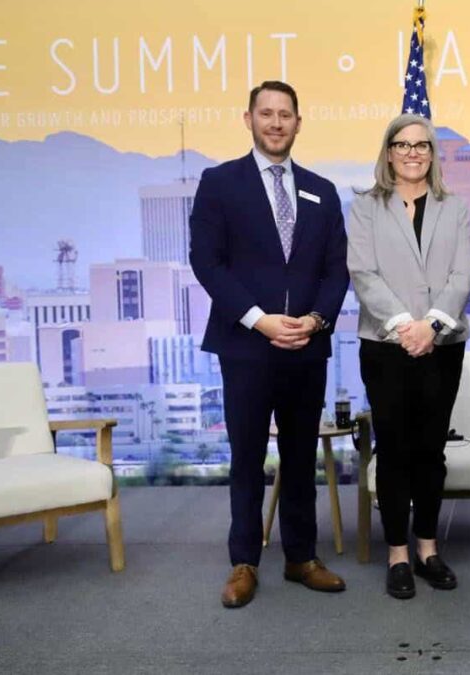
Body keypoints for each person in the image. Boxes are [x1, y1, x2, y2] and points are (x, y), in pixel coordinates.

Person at [189, 80, 349, 609]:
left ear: (299, 123)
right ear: (249, 119)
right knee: (247, 458)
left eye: (286, 115)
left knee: (301, 456)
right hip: (247, 345)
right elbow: (207, 263)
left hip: (306, 344)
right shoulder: (219, 183)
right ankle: (243, 562)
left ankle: (302, 557)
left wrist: (316, 319)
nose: (276, 123)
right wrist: (260, 320)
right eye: (267, 114)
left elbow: (335, 269)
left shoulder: (322, 190)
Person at [347, 114, 470, 600]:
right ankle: (396, 552)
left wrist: (432, 326)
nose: (413, 152)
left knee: (430, 452)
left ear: (432, 154)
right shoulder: (365, 207)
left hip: (443, 346)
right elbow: (363, 273)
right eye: (403, 144)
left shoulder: (454, 206)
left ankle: (427, 547)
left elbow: (462, 274)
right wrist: (405, 326)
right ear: (389, 151)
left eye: (422, 145)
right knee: (396, 451)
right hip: (386, 347)